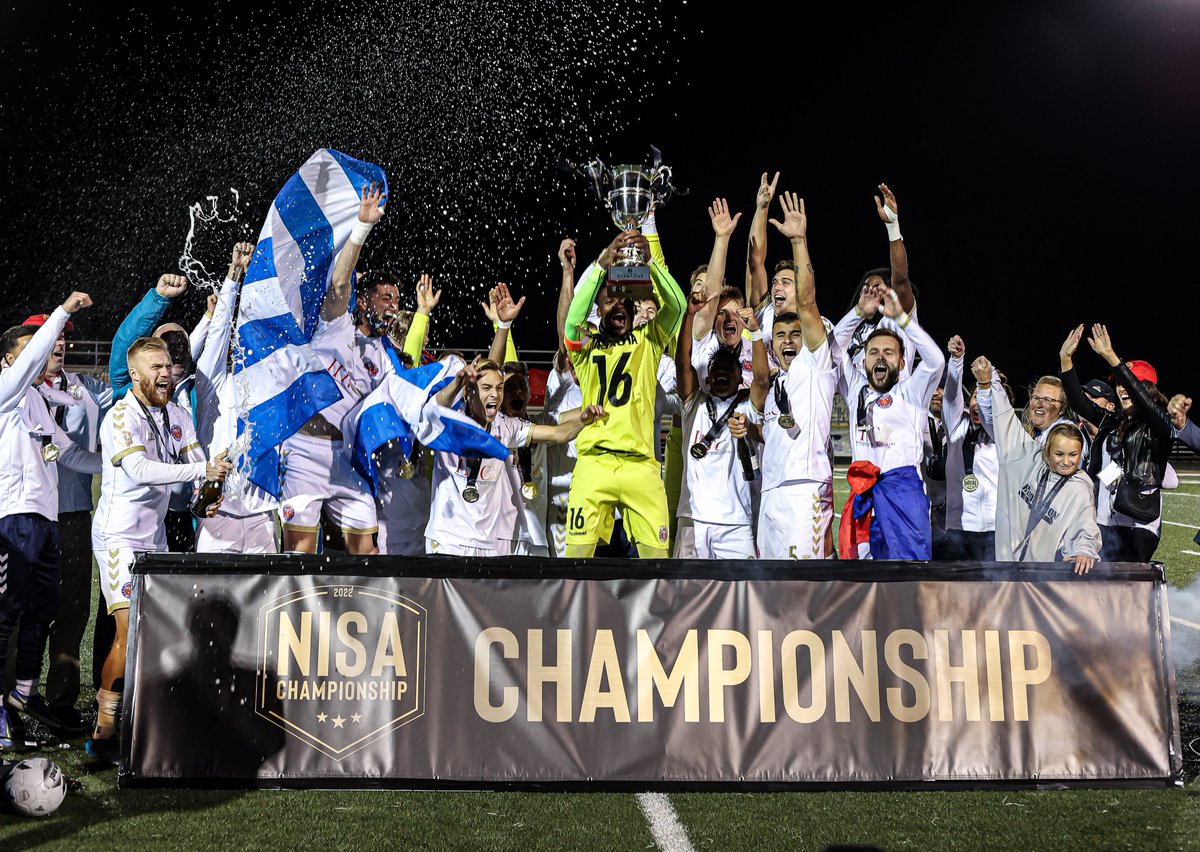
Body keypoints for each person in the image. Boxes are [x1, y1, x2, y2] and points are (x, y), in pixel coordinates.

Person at [87, 336, 230, 763]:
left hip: (155, 537)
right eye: (156, 367)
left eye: (167, 366)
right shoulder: (119, 417)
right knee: (128, 630)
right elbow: (140, 469)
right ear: (135, 374)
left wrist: (208, 491)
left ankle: (144, 721)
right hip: (119, 538)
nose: (165, 373)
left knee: (156, 632)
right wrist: (201, 469)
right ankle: (103, 733)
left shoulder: (178, 414)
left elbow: (197, 465)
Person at [0, 294, 100, 746]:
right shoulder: (6, 391)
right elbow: (30, 363)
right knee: (7, 614)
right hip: (12, 519)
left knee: (44, 608)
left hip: (46, 521)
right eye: (30, 351)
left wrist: (118, 464)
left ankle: (24, 694)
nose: (40, 357)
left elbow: (68, 453)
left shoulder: (37, 402)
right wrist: (62, 314)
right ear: (9, 360)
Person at [278, 183, 387, 555]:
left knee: (367, 554)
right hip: (304, 450)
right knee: (299, 553)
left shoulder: (380, 355)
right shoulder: (334, 325)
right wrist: (362, 227)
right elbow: (340, 282)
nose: (391, 307)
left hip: (347, 457)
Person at [563, 228, 685, 558]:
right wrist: (599, 267)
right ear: (598, 310)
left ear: (632, 310)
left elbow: (677, 306)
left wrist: (652, 264)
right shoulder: (585, 349)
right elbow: (571, 324)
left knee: (657, 564)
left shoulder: (649, 340)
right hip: (594, 463)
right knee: (575, 563)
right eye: (608, 301)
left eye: (623, 301)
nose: (617, 305)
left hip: (642, 467)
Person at [20, 311, 112, 732]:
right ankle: (17, 695)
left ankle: (61, 699)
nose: (59, 343)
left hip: (73, 514)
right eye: (50, 336)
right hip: (26, 512)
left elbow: (129, 382)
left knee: (73, 609)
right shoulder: (15, 391)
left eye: (62, 336)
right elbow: (51, 451)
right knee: (22, 608)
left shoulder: (85, 388)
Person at [425, 356, 603, 556]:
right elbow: (434, 408)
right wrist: (457, 382)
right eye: (487, 388)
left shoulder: (506, 426)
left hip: (487, 543)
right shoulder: (450, 420)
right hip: (448, 539)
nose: (495, 394)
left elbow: (557, 433)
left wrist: (583, 421)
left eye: (499, 388)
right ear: (469, 392)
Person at [751, 191, 838, 559]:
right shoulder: (767, 337)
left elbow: (807, 302)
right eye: (776, 282)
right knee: (768, 585)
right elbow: (754, 263)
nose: (777, 287)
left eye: (786, 281)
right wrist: (760, 208)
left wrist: (799, 240)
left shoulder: (816, 343)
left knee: (805, 584)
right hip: (771, 484)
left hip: (805, 484)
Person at [839, 279, 945, 560]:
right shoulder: (854, 390)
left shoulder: (911, 392)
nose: (880, 357)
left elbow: (936, 361)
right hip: (863, 498)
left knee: (908, 575)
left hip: (903, 496)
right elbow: (832, 350)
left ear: (901, 363)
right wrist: (858, 313)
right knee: (863, 578)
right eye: (873, 352)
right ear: (863, 362)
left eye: (889, 352)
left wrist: (902, 320)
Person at [1059, 323, 1174, 562]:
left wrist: (1111, 357)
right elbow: (1080, 403)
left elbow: (1144, 402)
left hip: (1138, 525)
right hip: (1104, 520)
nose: (1121, 388)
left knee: (1126, 583)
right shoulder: (1113, 420)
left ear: (1147, 389)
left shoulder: (1158, 425)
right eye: (1118, 383)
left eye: (1128, 382)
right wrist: (1065, 360)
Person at [975, 356, 1101, 571]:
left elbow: (1083, 517)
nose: (1066, 460)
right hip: (1010, 557)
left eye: (1049, 400)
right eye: (1036, 397)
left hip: (1046, 566)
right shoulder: (1029, 447)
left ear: (1062, 407)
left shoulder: (1070, 442)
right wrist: (988, 384)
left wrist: (1085, 549)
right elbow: (1002, 421)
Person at [193, 242, 279, 554]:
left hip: (262, 516)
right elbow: (218, 331)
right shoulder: (213, 383)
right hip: (219, 515)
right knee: (213, 588)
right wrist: (233, 276)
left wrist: (261, 276)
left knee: (269, 589)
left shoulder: (270, 387)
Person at [673, 288, 760, 560]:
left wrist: (755, 332)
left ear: (740, 377)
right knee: (686, 587)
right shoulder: (694, 404)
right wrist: (689, 316)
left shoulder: (747, 406)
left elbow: (761, 379)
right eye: (716, 369)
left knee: (744, 587)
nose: (721, 372)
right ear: (707, 378)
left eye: (728, 369)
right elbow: (683, 363)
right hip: (693, 520)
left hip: (736, 523)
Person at [832, 183, 918, 397]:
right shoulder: (852, 330)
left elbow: (901, 278)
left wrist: (893, 228)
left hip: (899, 404)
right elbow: (832, 352)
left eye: (877, 287)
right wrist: (858, 313)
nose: (871, 291)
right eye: (866, 288)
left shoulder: (897, 320)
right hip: (861, 408)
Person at [942, 336, 1000, 560]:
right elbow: (951, 397)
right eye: (975, 396)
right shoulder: (957, 427)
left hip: (994, 528)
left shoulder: (1001, 434)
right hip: (958, 527)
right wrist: (956, 361)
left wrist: (987, 387)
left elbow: (990, 417)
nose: (978, 402)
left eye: (984, 397)